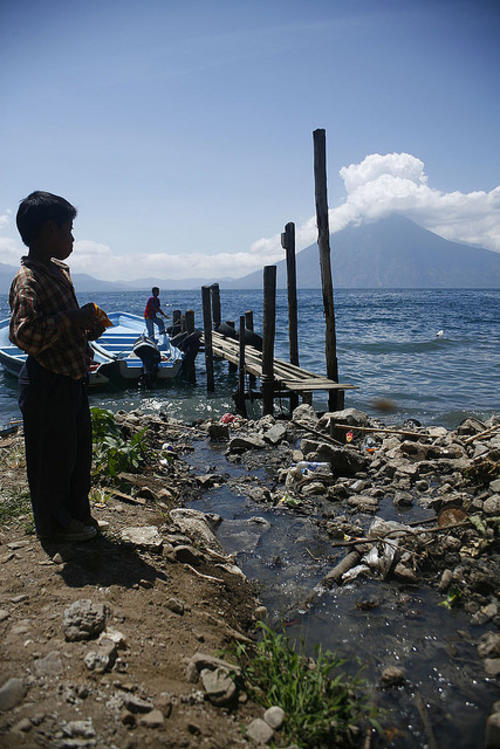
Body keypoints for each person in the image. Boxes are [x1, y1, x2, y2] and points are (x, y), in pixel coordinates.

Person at [9, 191, 108, 543]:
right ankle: (57, 526)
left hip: (71, 379)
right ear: (49, 230)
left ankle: (77, 515)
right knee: (53, 459)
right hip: (46, 383)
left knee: (76, 454)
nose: (72, 238)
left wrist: (87, 325)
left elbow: (63, 323)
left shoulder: (58, 271)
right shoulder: (28, 279)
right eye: (68, 229)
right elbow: (26, 335)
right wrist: (72, 319)